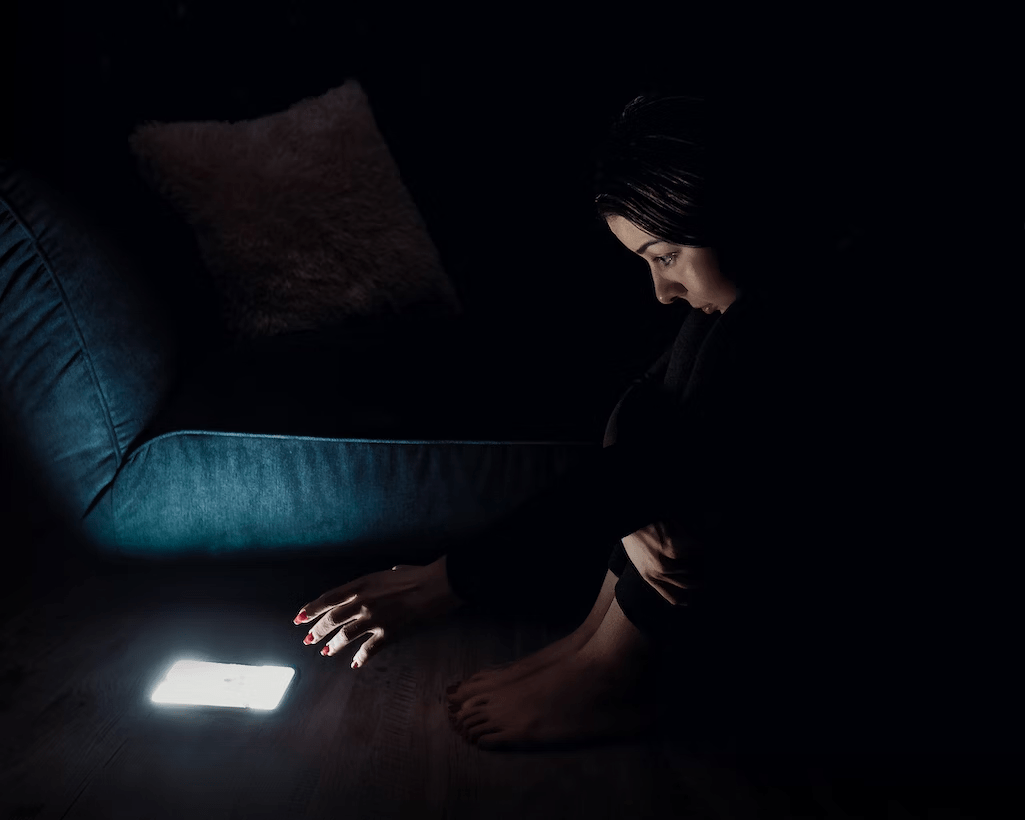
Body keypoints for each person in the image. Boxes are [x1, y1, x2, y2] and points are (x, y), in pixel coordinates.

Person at [291, 92, 820, 753]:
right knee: (672, 386)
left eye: (663, 255)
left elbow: (671, 463)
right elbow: (649, 431)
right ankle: (598, 639)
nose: (662, 291)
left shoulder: (814, 309)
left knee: (673, 449)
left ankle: (621, 669)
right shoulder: (756, 303)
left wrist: (447, 582)